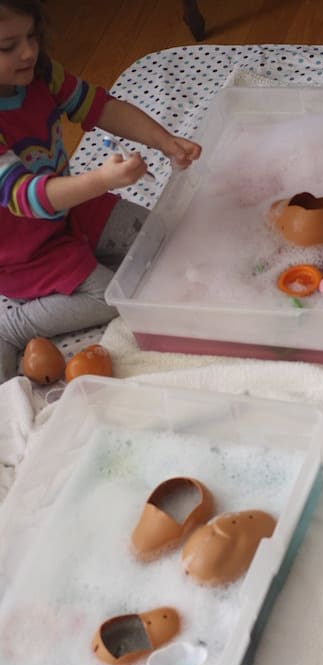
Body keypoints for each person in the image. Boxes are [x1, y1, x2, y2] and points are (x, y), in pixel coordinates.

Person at [0, 0, 201, 383]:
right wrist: (102, 180)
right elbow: (26, 196)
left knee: (159, 236)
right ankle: (10, 328)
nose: (28, 51)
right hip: (22, 251)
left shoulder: (41, 74)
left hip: (70, 209)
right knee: (109, 294)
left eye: (31, 36)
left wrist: (164, 140)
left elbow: (100, 106)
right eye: (8, 46)